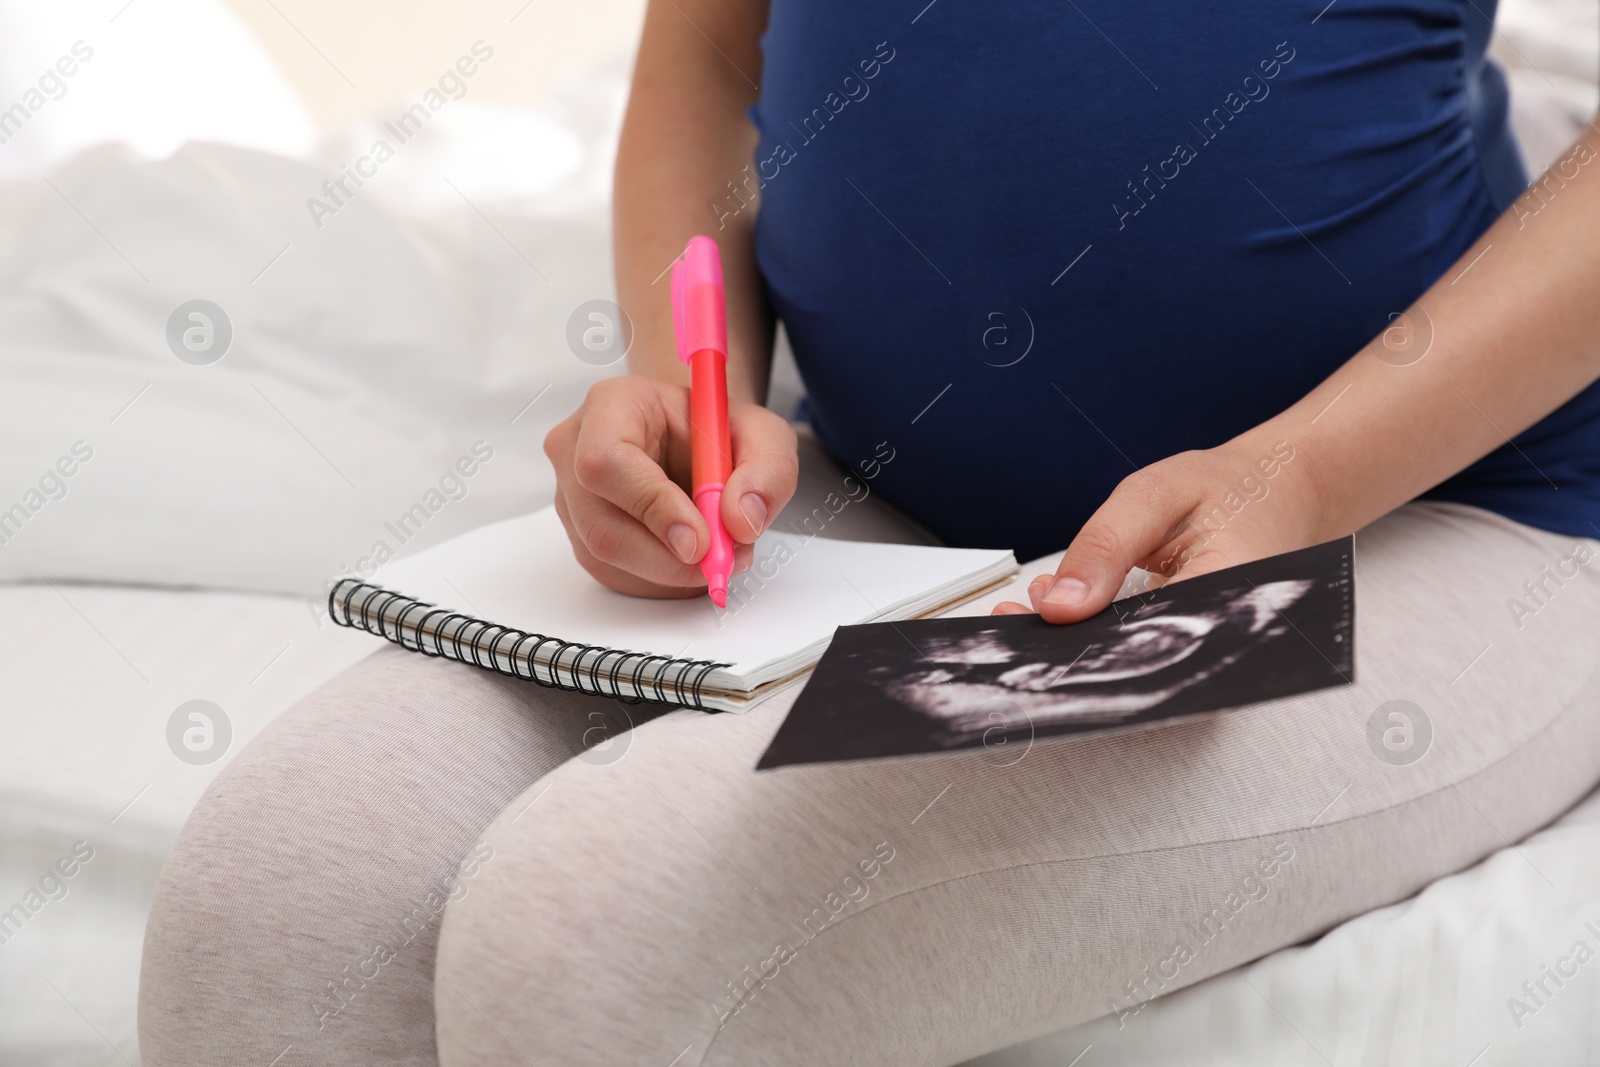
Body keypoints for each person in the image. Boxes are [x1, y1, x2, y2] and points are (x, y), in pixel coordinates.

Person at [139, 1, 1600, 1064]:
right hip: (880, 487)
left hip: (1425, 510)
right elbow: (709, 54)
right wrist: (689, 389)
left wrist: (1305, 474)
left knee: (590, 937)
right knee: (277, 902)